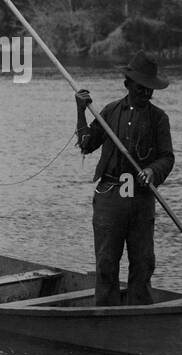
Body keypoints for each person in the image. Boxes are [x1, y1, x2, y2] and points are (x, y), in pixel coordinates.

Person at [74, 52, 175, 306]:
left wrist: (152, 171)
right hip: (110, 198)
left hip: (141, 201)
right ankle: (106, 316)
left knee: (143, 263)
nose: (145, 94)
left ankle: (140, 316)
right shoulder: (109, 112)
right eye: (141, 88)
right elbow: (86, 145)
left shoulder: (159, 119)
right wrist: (80, 111)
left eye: (150, 90)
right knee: (106, 263)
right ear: (128, 84)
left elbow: (167, 158)